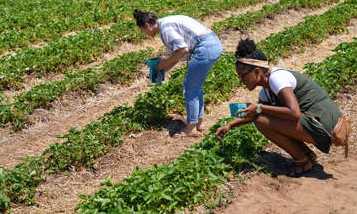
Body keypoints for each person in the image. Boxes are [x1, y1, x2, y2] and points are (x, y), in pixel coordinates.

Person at [215, 39, 343, 176]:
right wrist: (230, 125)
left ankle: (302, 161)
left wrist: (259, 108)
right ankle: (307, 154)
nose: (241, 80)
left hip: (326, 126)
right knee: (263, 117)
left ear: (257, 71)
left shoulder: (277, 79)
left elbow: (293, 113)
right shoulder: (265, 91)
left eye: (243, 75)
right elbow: (255, 113)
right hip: (316, 123)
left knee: (261, 120)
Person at [133, 9, 222, 136]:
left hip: (205, 48)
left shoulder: (166, 29)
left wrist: (165, 63)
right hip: (212, 45)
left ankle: (190, 129)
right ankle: (199, 124)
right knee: (195, 87)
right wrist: (163, 69)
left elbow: (182, 50)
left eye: (143, 30)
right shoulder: (167, 22)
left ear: (147, 25)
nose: (145, 34)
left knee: (190, 87)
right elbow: (178, 55)